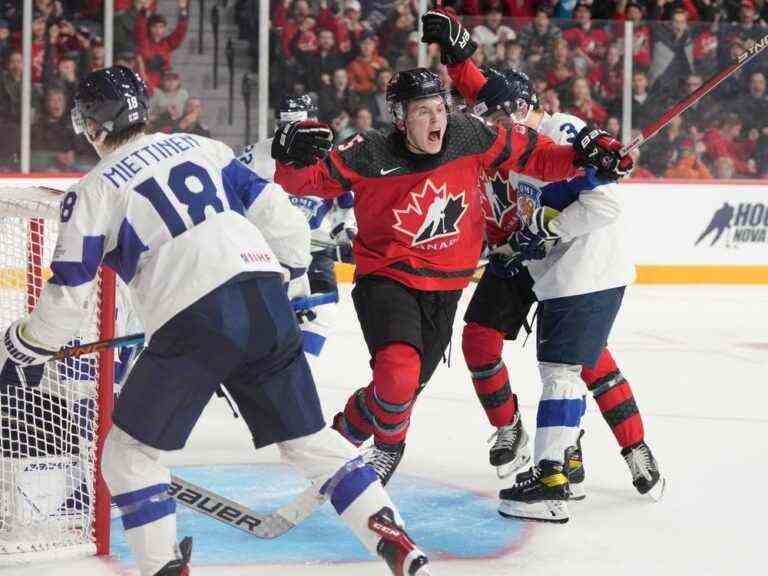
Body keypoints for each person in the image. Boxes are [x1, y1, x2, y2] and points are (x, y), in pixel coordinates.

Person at [0, 66, 432, 576]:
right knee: (310, 442)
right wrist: (289, 280)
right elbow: (280, 217)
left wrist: (25, 344)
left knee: (128, 456)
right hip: (265, 295)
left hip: (194, 322)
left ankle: (164, 569)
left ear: (94, 125)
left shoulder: (93, 190)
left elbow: (68, 297)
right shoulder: (197, 146)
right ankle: (395, 541)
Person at [272, 26, 621, 485]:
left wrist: (587, 157)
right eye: (423, 111)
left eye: (440, 108)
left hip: (446, 289)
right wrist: (288, 156)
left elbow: (538, 157)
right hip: (388, 279)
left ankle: (340, 436)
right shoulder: (370, 151)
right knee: (398, 375)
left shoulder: (467, 134)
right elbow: (300, 183)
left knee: (398, 390)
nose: (436, 119)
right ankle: (388, 448)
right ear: (400, 117)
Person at [422, 8, 664, 522]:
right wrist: (454, 54)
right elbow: (481, 94)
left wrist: (595, 160)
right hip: (527, 258)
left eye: (494, 117)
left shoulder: (558, 131)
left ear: (518, 108)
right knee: (494, 342)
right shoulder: (502, 134)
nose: (486, 127)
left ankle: (596, 454)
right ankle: (520, 433)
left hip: (570, 263)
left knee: (576, 362)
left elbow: (595, 182)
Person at [239, 94, 356, 357]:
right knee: (271, 312)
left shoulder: (330, 158)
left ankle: (300, 369)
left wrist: (344, 230)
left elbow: (345, 205)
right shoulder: (258, 155)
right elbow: (231, 191)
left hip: (315, 247)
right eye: (286, 126)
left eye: (299, 126)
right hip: (272, 249)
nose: (292, 134)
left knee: (324, 308)